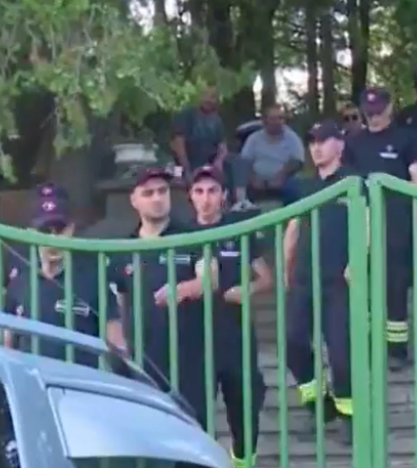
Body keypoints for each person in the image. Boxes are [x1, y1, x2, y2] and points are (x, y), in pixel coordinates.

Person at [108, 166, 219, 427]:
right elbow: (119, 305)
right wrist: (120, 349)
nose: (157, 198)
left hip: (189, 361)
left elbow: (210, 278)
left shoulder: (191, 236)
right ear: (134, 200)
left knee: (193, 432)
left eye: (162, 191)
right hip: (142, 362)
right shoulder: (124, 248)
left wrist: (183, 289)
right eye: (148, 193)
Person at [188, 165, 272, 467]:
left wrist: (248, 288)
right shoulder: (182, 234)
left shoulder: (238, 231)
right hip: (194, 339)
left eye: (212, 191)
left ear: (223, 195)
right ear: (191, 196)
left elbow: (266, 278)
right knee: (195, 413)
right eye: (199, 191)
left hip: (236, 336)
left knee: (244, 411)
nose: (206, 198)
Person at [282, 121, 357, 441]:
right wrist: (286, 267)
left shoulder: (354, 182)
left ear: (340, 144)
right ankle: (320, 407)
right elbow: (293, 227)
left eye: (323, 140)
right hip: (304, 278)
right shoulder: (303, 186)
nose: (316, 147)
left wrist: (357, 261)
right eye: (312, 142)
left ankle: (350, 417)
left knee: (341, 353)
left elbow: (368, 223)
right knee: (293, 343)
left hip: (338, 281)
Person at [343, 87, 417, 370]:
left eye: (379, 111)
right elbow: (346, 184)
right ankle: (367, 347)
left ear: (390, 108)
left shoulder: (406, 138)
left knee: (396, 286)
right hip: (362, 224)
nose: (374, 117)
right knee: (362, 285)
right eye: (369, 113)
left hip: (398, 223)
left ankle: (396, 350)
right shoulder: (353, 143)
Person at [0, 185, 111, 368]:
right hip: (33, 378)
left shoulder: (93, 276)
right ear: (31, 233)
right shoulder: (20, 278)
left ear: (71, 229)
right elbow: (7, 340)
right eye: (45, 231)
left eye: (59, 229)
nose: (53, 239)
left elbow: (114, 343)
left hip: (79, 381)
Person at [240, 104, 305, 205]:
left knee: (294, 186)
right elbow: (244, 161)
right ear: (264, 121)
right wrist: (253, 178)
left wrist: (282, 175)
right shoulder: (254, 138)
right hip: (256, 179)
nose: (278, 122)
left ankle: (292, 214)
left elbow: (298, 161)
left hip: (285, 178)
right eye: (273, 119)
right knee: (241, 187)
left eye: (281, 118)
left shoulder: (292, 137)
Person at [171, 84, 229, 177]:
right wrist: (187, 169)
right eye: (205, 95)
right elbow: (178, 145)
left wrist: (219, 161)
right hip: (184, 167)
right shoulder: (187, 114)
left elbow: (223, 148)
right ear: (199, 96)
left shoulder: (217, 120)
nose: (208, 100)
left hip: (208, 168)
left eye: (213, 97)